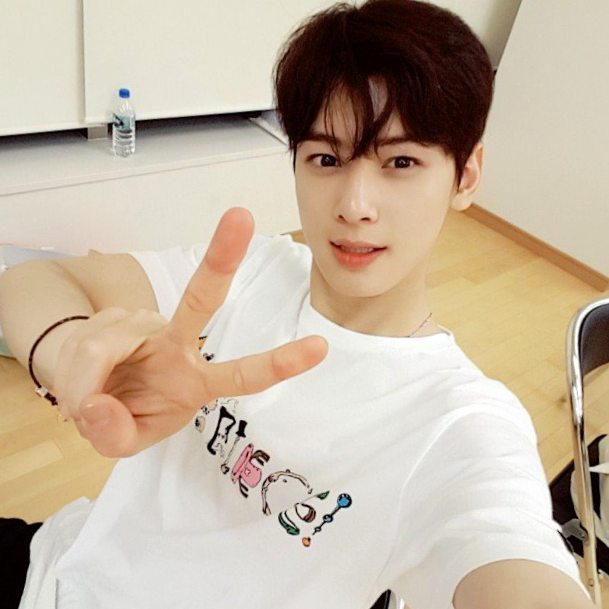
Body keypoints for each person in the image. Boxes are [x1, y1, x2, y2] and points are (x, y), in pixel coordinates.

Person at [0, 1, 595, 608]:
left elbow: (511, 558)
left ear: (465, 176)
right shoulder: (253, 270)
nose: (355, 206)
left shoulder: (463, 423)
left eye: (401, 162)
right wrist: (69, 350)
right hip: (58, 564)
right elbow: (29, 281)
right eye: (326, 159)